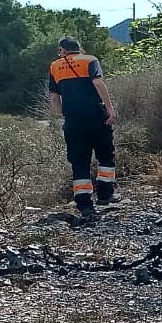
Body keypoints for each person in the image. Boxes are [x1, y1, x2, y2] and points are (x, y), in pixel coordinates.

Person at [48, 36, 118, 221]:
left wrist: (63, 115)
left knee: (79, 163)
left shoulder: (55, 66)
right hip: (96, 117)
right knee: (105, 156)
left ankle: (84, 204)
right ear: (79, 48)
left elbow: (54, 97)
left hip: (73, 122)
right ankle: (105, 195)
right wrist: (110, 109)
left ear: (63, 50)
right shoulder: (90, 60)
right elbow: (98, 83)